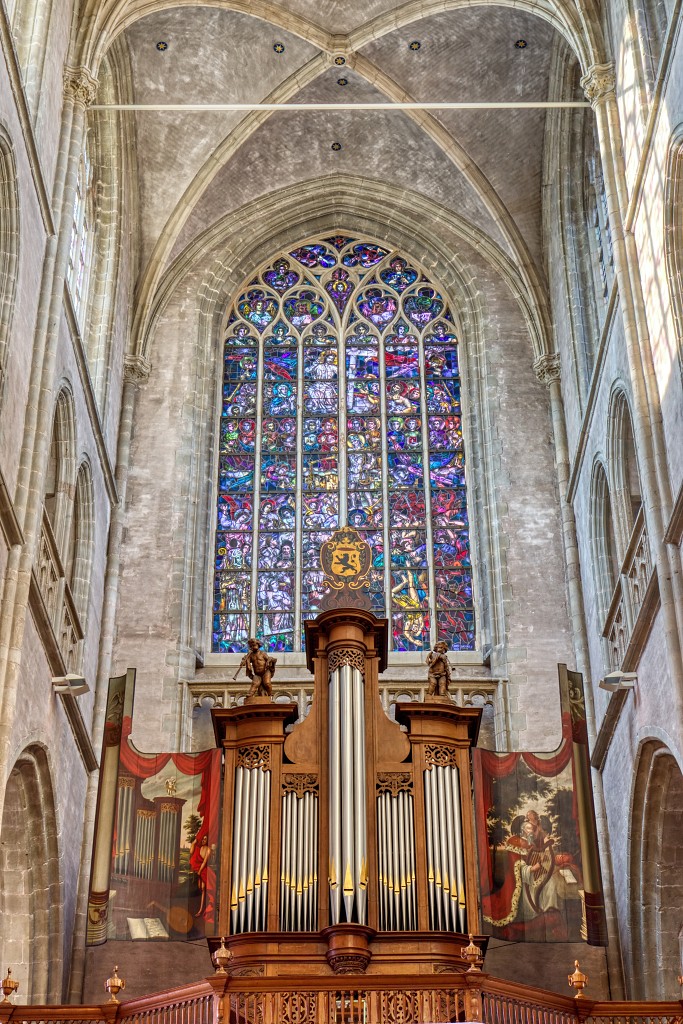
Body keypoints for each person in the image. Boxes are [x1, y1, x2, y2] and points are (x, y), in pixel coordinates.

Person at [189, 833, 215, 918]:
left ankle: (201, 910)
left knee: (204, 889)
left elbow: (204, 862)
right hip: (199, 869)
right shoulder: (199, 848)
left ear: (208, 840)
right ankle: (200, 908)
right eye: (203, 839)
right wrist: (193, 843)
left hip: (204, 870)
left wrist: (200, 871)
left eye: (205, 839)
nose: (203, 840)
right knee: (200, 887)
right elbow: (191, 852)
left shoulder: (208, 850)